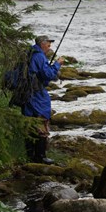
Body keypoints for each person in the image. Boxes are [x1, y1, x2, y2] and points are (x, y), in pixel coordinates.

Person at [22, 35, 65, 164]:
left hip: (26, 92)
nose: (50, 46)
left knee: (29, 122)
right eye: (48, 44)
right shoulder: (39, 56)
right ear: (42, 44)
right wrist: (57, 64)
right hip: (36, 94)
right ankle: (40, 156)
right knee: (41, 119)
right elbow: (48, 74)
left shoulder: (30, 52)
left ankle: (30, 155)